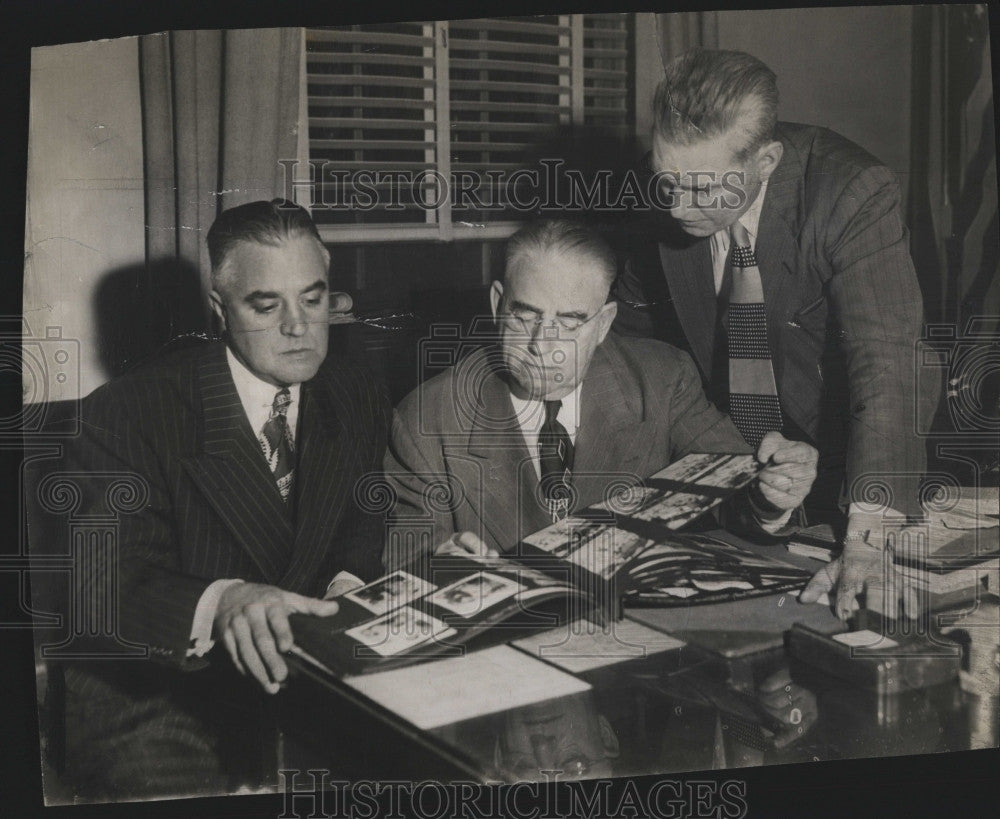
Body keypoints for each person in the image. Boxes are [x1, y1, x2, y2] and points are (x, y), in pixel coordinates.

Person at [57, 199, 388, 799]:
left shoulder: (355, 390)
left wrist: (346, 587)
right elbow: (101, 586)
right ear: (219, 308)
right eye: (266, 305)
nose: (298, 326)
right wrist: (226, 601)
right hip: (157, 691)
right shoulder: (123, 414)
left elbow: (363, 520)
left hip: (300, 675)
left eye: (313, 298)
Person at [613, 48, 937, 619]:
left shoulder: (851, 191)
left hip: (844, 466)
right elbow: (637, 358)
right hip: (723, 465)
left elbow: (887, 361)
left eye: (702, 189)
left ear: (766, 161)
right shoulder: (660, 193)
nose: (676, 207)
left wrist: (869, 537)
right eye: (667, 182)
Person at [382, 219, 818, 567]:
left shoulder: (662, 381)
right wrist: (435, 568)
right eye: (524, 315)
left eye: (570, 321)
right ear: (498, 305)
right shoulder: (429, 419)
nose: (541, 345)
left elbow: (734, 497)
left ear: (605, 323)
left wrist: (772, 496)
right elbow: (404, 563)